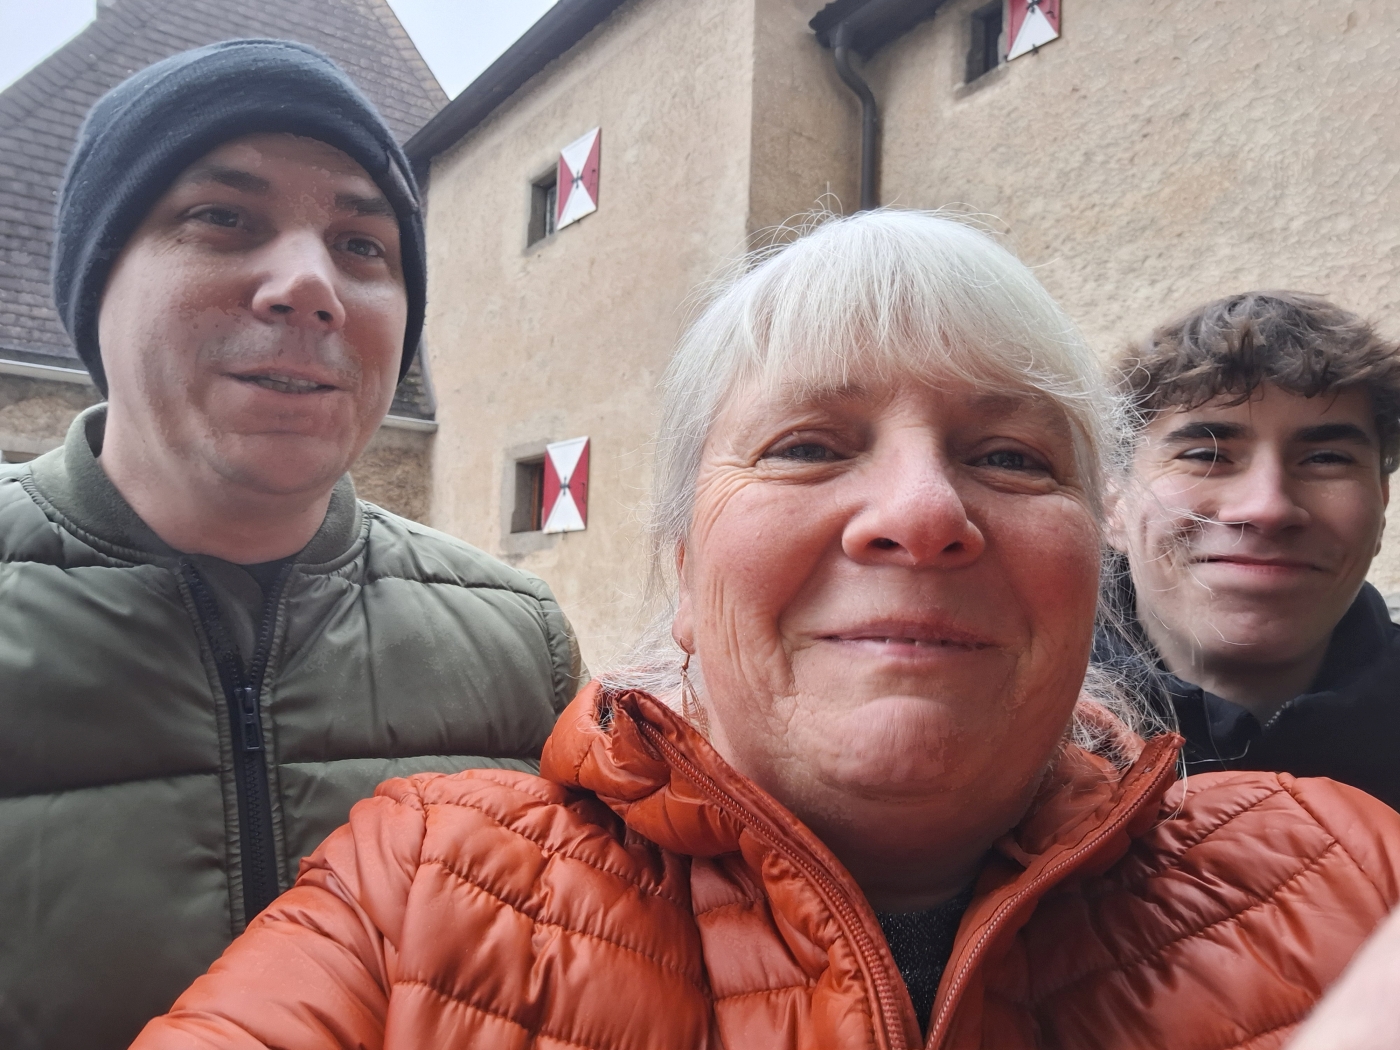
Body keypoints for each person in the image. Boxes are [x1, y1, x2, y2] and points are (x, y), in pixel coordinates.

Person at [133, 212, 1400, 1050]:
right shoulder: (413, 893)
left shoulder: (1350, 872)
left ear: (1093, 553)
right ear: (686, 568)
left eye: (1010, 456)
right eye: (805, 447)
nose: (919, 514)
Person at [0, 41, 581, 1050]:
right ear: (98, 282)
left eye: (362, 245)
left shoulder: (523, 648)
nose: (311, 285)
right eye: (223, 218)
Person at [1096, 292, 1400, 807]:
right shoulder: (995, 737)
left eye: (1325, 458)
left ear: (1381, 503)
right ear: (1113, 505)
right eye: (1204, 454)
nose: (1268, 508)